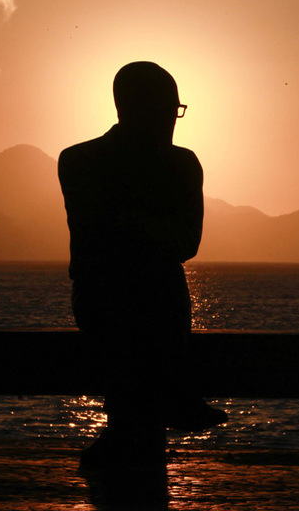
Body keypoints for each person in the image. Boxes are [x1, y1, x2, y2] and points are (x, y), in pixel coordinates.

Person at [58, 61, 227, 468]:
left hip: (104, 302)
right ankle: (168, 399)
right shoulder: (179, 165)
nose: (175, 118)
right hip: (136, 302)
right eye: (172, 108)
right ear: (144, 108)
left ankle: (125, 430)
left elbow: (109, 235)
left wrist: (132, 225)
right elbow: (183, 243)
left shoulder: (77, 160)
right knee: (146, 287)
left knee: (137, 292)